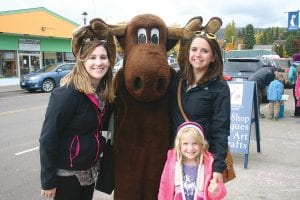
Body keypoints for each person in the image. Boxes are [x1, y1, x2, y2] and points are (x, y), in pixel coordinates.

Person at [39, 37, 114, 200]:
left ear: (109, 62)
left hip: (89, 172)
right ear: (82, 61)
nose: (98, 62)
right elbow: (48, 138)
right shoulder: (67, 94)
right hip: (67, 176)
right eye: (92, 57)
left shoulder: (102, 93)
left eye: (103, 57)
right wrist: (48, 181)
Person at [171, 31, 231, 184]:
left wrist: (218, 167)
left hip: (201, 159)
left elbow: (220, 129)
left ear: (213, 57)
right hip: (175, 156)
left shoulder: (219, 87)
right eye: (194, 49)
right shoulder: (177, 79)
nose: (198, 54)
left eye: (204, 51)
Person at [158, 121, 227, 200]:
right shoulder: (172, 162)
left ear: (201, 144)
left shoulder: (209, 163)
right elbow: (164, 187)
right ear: (179, 144)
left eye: (194, 143)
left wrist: (217, 190)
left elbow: (220, 192)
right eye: (185, 143)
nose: (190, 148)